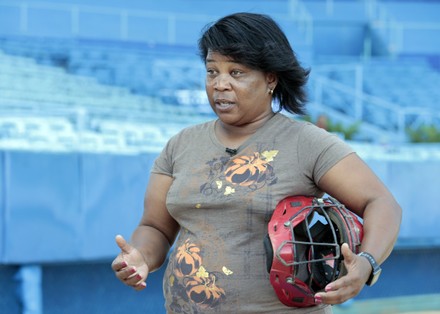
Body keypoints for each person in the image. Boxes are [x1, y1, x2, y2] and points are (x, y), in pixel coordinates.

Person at [111, 12, 402, 313]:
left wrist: (366, 263)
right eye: (212, 71)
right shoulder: (180, 144)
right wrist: (141, 257)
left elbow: (382, 203)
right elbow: (155, 226)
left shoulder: (306, 142)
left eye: (236, 72)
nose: (220, 84)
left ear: (270, 78)